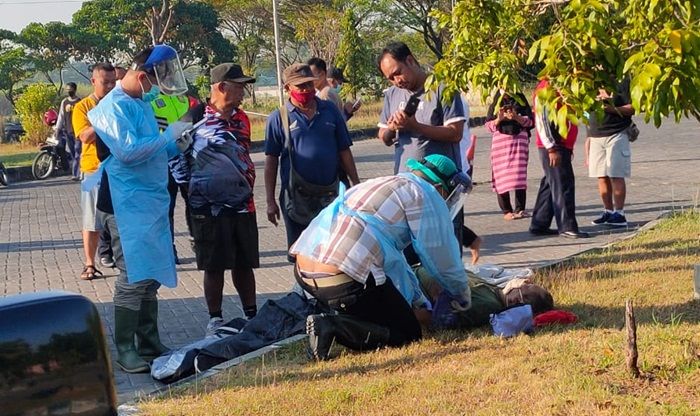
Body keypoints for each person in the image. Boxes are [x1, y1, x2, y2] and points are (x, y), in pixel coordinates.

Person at [294, 154, 473, 361]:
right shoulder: (426, 193)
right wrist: (461, 294)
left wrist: (417, 300)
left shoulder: (384, 183)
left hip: (306, 272)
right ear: (441, 187)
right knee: (408, 333)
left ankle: (335, 319)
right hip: (343, 277)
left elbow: (392, 262)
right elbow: (441, 258)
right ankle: (332, 326)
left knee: (381, 307)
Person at [88, 45, 192, 373]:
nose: (158, 90)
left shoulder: (141, 102)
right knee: (133, 276)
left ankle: (148, 341)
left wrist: (178, 143)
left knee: (150, 275)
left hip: (148, 201)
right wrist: (168, 138)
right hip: (123, 203)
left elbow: (153, 146)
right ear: (143, 76)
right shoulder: (112, 107)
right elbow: (128, 153)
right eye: (155, 82)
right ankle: (125, 348)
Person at [187, 63, 259, 334]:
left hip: (243, 204)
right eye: (239, 86)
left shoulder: (242, 119)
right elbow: (176, 155)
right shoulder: (194, 116)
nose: (243, 92)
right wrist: (194, 188)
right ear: (221, 87)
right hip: (208, 208)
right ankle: (215, 318)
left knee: (244, 262)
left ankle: (251, 315)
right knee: (214, 264)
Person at [377, 41, 467, 253]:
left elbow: (455, 133)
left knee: (446, 248)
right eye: (390, 78)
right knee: (412, 251)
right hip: (406, 187)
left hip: (441, 187)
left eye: (397, 73)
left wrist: (415, 126)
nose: (396, 81)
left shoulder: (442, 89)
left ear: (410, 60)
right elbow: (384, 136)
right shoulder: (392, 95)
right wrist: (393, 127)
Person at [264, 63, 360, 260]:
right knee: (302, 254)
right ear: (287, 88)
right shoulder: (278, 118)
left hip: (331, 195)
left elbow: (344, 150)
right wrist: (270, 201)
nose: (306, 90)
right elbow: (271, 161)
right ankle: (303, 289)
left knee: (335, 250)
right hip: (297, 199)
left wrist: (356, 186)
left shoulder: (330, 111)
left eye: (309, 85)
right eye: (300, 86)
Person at [72, 63, 117, 279]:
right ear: (93, 82)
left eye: (113, 82)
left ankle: (121, 258)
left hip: (119, 169)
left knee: (120, 218)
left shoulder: (121, 103)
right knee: (91, 219)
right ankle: (90, 263)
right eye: (105, 82)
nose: (110, 86)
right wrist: (105, 116)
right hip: (93, 171)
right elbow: (85, 136)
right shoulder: (83, 107)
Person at [529, 79, 589, 239]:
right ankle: (567, 226)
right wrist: (551, 147)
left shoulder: (563, 87)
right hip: (554, 146)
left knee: (550, 183)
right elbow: (542, 120)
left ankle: (539, 223)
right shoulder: (546, 88)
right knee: (563, 184)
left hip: (561, 145)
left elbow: (574, 113)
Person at [586, 77, 635, 227]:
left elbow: (632, 108)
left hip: (617, 132)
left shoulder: (621, 80)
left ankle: (619, 214)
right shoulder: (588, 80)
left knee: (616, 174)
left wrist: (610, 109)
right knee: (601, 175)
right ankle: (608, 211)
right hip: (595, 134)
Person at [151, 93, 192, 263]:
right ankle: (169, 247)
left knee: (193, 202)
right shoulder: (150, 100)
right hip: (165, 158)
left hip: (187, 154)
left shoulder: (182, 97)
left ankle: (197, 239)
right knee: (167, 207)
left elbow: (192, 117)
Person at [485, 91, 533, 220]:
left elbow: (531, 122)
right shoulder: (497, 102)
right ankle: (506, 210)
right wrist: (499, 119)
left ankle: (520, 209)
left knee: (519, 175)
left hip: (519, 142)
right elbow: (488, 126)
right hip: (501, 145)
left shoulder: (520, 99)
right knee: (501, 176)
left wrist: (516, 117)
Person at [55, 82, 82, 181]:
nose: (68, 91)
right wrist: (57, 129)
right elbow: (61, 117)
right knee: (72, 152)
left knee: (78, 151)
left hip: (78, 132)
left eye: (70, 89)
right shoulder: (64, 102)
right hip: (68, 131)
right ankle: (78, 171)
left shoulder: (80, 102)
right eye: (67, 89)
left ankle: (76, 174)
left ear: (75, 90)